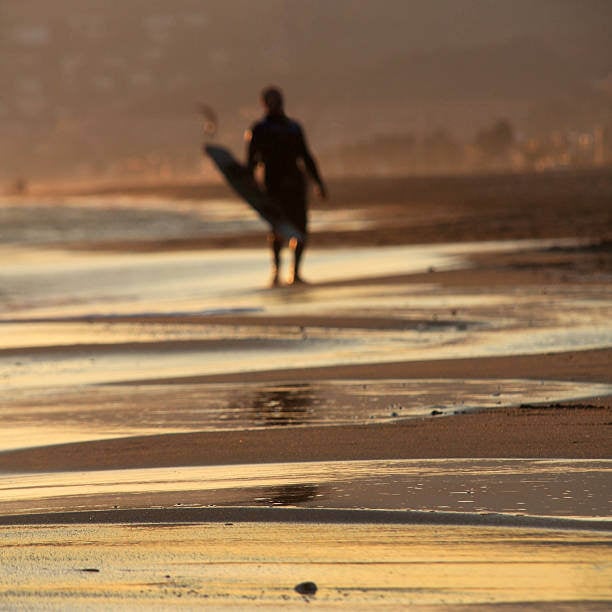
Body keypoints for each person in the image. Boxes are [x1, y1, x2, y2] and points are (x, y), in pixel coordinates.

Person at [246, 86, 326, 286]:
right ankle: (277, 271)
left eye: (276, 100)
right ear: (264, 103)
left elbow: (306, 157)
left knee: (300, 229)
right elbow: (251, 162)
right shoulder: (258, 130)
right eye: (270, 101)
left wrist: (319, 183)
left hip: (294, 183)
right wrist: (249, 183)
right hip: (274, 184)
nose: (274, 104)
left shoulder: (293, 128)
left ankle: (296, 272)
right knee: (277, 228)